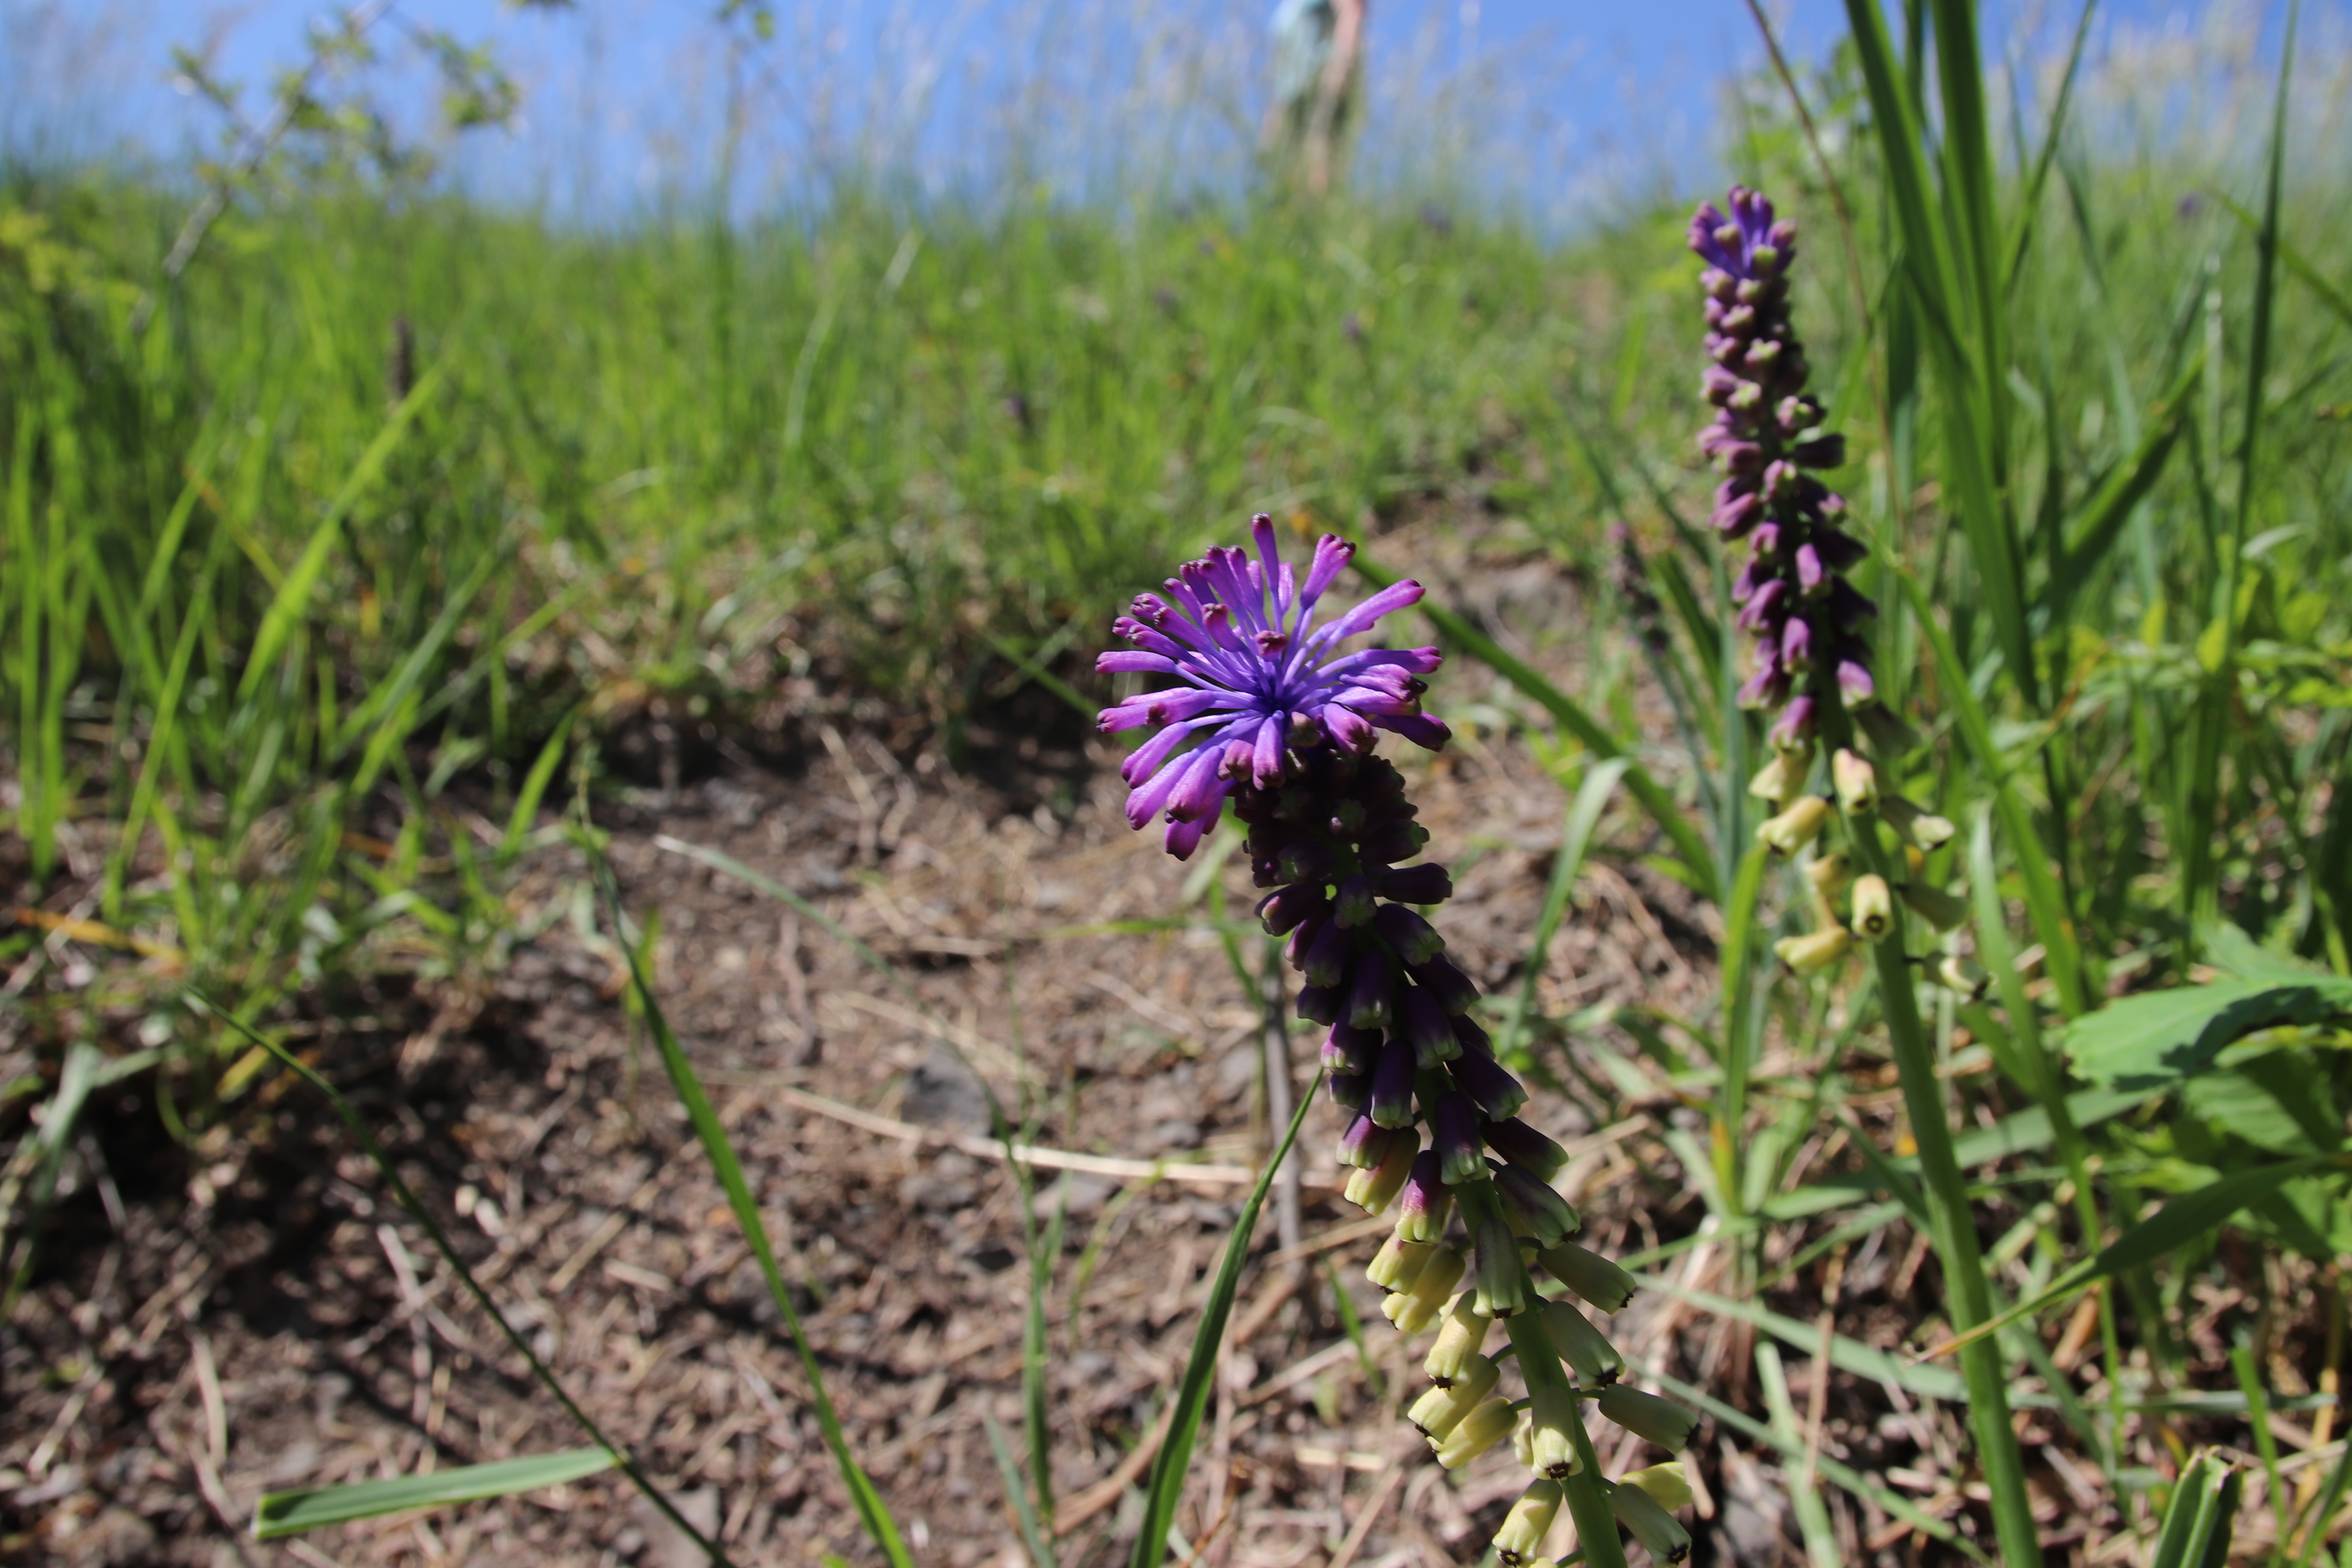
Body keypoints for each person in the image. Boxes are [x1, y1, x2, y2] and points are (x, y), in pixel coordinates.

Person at [1262, 0, 1366, 198]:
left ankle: (1319, 215)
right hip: (1291, 94)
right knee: (1281, 158)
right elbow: (1284, 60)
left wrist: (1340, 69)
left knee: (1318, 154)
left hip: (1320, 82)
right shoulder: (1290, 6)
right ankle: (1291, 213)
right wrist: (1275, 111)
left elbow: (1352, 11)